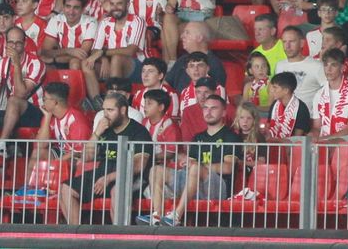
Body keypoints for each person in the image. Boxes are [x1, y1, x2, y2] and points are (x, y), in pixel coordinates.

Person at [141, 93, 238, 225]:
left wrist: (199, 165)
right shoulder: (197, 138)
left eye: (214, 108)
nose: (208, 112)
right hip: (192, 182)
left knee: (196, 167)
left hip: (216, 186)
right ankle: (157, 216)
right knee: (156, 170)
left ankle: (176, 216)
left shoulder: (230, 136)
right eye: (205, 108)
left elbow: (228, 168)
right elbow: (191, 165)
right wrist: (184, 162)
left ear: (224, 112)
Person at [57, 90, 151, 225]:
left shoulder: (139, 132)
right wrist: (96, 133)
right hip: (104, 171)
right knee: (66, 188)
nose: (105, 114)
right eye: (104, 110)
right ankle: (77, 233)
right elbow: (86, 157)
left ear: (123, 110)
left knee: (117, 190)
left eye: (110, 110)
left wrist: (109, 177)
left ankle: (120, 234)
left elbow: (137, 166)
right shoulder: (104, 130)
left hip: (131, 176)